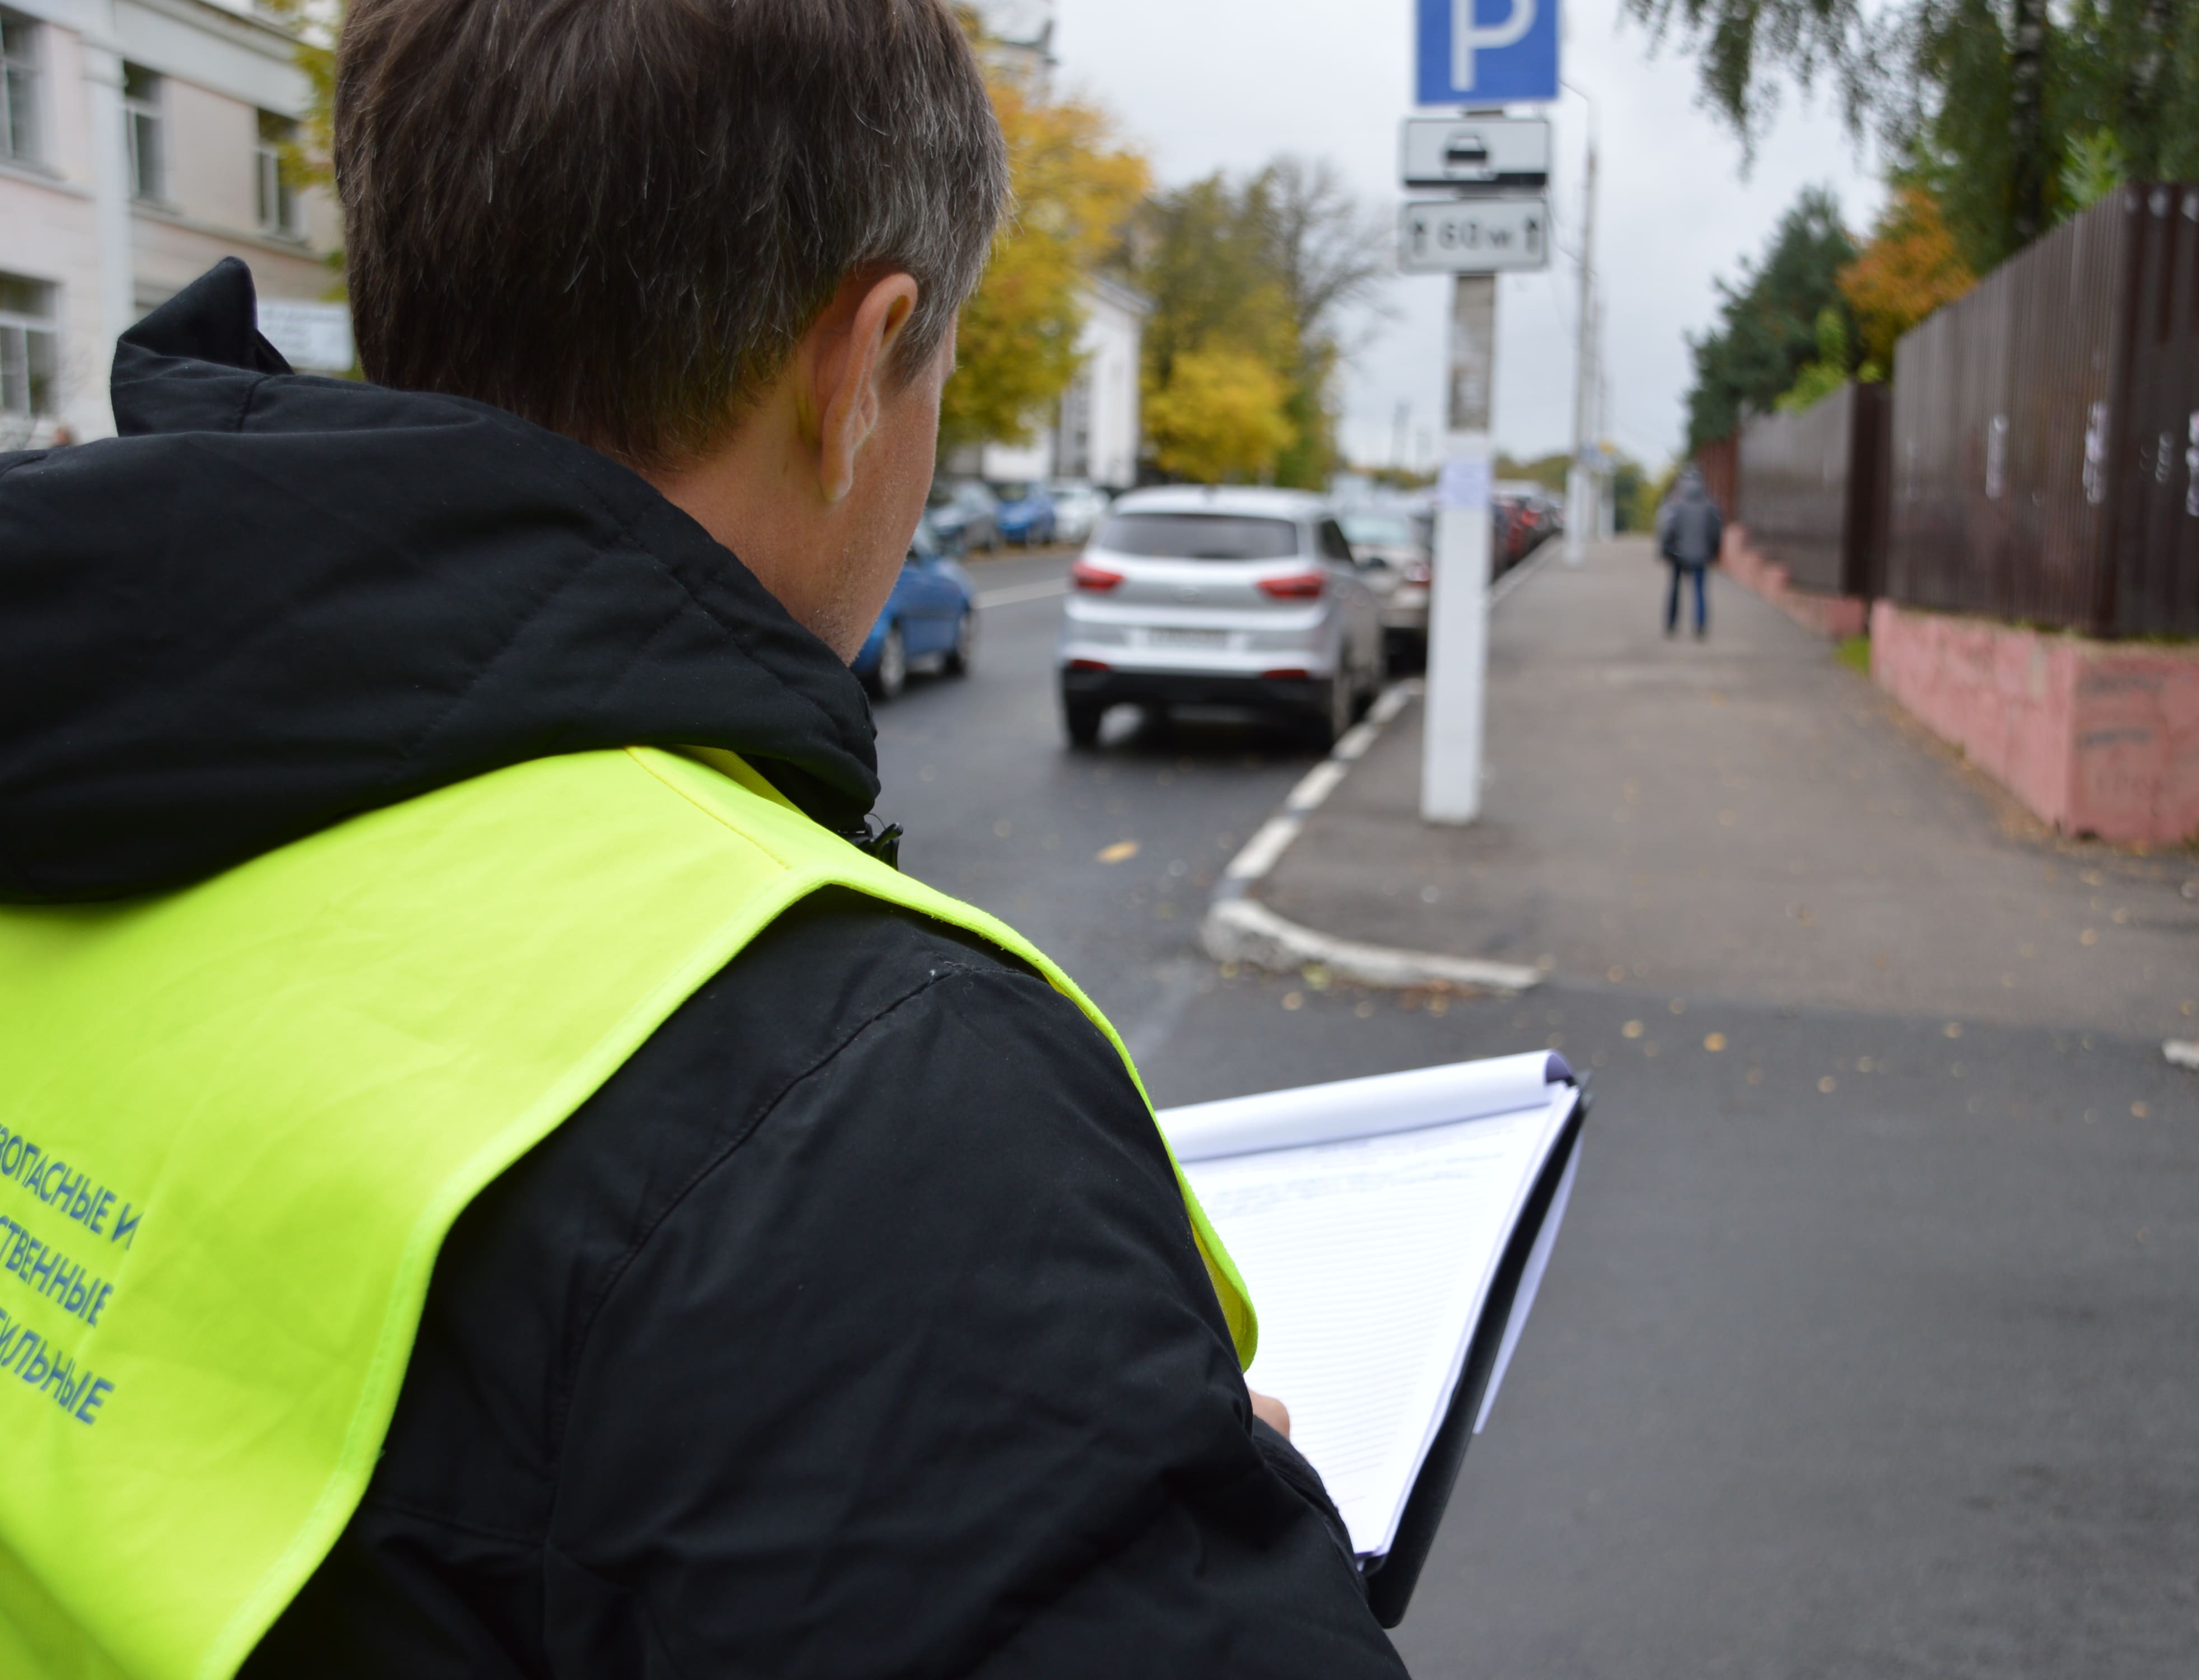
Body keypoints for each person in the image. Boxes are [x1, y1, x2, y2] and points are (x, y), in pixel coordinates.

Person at [0, 0, 1408, 1674]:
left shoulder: (76, 739)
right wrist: (1158, 1508)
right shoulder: (869, 1103)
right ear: (858, 364)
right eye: (938, 359)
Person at [1656, 468, 1724, 640]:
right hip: (1701, 555)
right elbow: (1716, 532)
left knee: (1675, 590)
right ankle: (1700, 625)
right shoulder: (1710, 507)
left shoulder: (1678, 506)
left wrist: (1665, 550)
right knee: (1700, 590)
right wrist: (1714, 552)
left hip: (1679, 555)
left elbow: (1669, 531)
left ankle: (1671, 623)